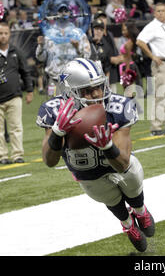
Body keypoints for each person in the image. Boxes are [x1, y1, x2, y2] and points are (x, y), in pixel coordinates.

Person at [36, 58, 155, 252]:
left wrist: (107, 146)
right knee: (107, 196)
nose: (97, 94)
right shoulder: (54, 110)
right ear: (70, 92)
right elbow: (49, 161)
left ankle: (140, 210)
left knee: (132, 174)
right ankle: (127, 223)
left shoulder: (118, 105)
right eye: (88, 90)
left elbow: (123, 164)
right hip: (87, 172)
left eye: (99, 87)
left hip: (117, 165)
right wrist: (57, 133)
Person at [136, 3, 165, 136]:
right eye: (158, 11)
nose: (161, 13)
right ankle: (156, 127)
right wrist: (152, 56)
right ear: (154, 13)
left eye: (163, 11)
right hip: (161, 64)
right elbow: (140, 41)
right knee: (160, 95)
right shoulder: (152, 26)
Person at [36, 4, 91, 93]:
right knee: (54, 106)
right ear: (56, 14)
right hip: (54, 81)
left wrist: (77, 49)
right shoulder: (49, 34)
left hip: (74, 81)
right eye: (60, 11)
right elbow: (41, 58)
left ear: (70, 13)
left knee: (75, 106)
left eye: (66, 11)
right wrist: (41, 46)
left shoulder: (79, 34)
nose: (63, 13)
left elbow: (87, 57)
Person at [0, 22, 33, 164]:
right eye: (0, 33)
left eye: (5, 33)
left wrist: (30, 90)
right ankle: (2, 156)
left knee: (16, 127)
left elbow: (25, 72)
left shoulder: (15, 51)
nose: (3, 36)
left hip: (15, 96)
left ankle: (17, 155)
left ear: (10, 34)